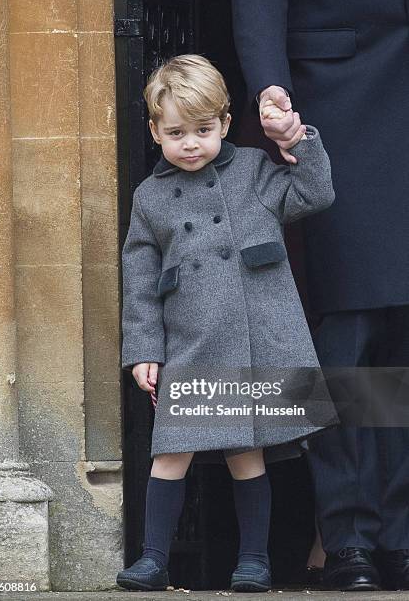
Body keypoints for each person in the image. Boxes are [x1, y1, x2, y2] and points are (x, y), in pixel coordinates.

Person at [116, 54, 335, 593]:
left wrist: (295, 139)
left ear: (225, 123)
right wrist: (144, 349)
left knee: (247, 450)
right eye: (176, 133)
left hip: (251, 339)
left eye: (203, 130)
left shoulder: (255, 172)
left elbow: (315, 193)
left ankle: (254, 561)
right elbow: (140, 282)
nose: (190, 143)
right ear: (154, 131)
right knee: (171, 451)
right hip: (189, 339)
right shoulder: (148, 198)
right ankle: (153, 558)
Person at [229, 0, 409, 591]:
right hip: (343, 87)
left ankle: (400, 536)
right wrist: (269, 88)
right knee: (348, 338)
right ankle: (350, 538)